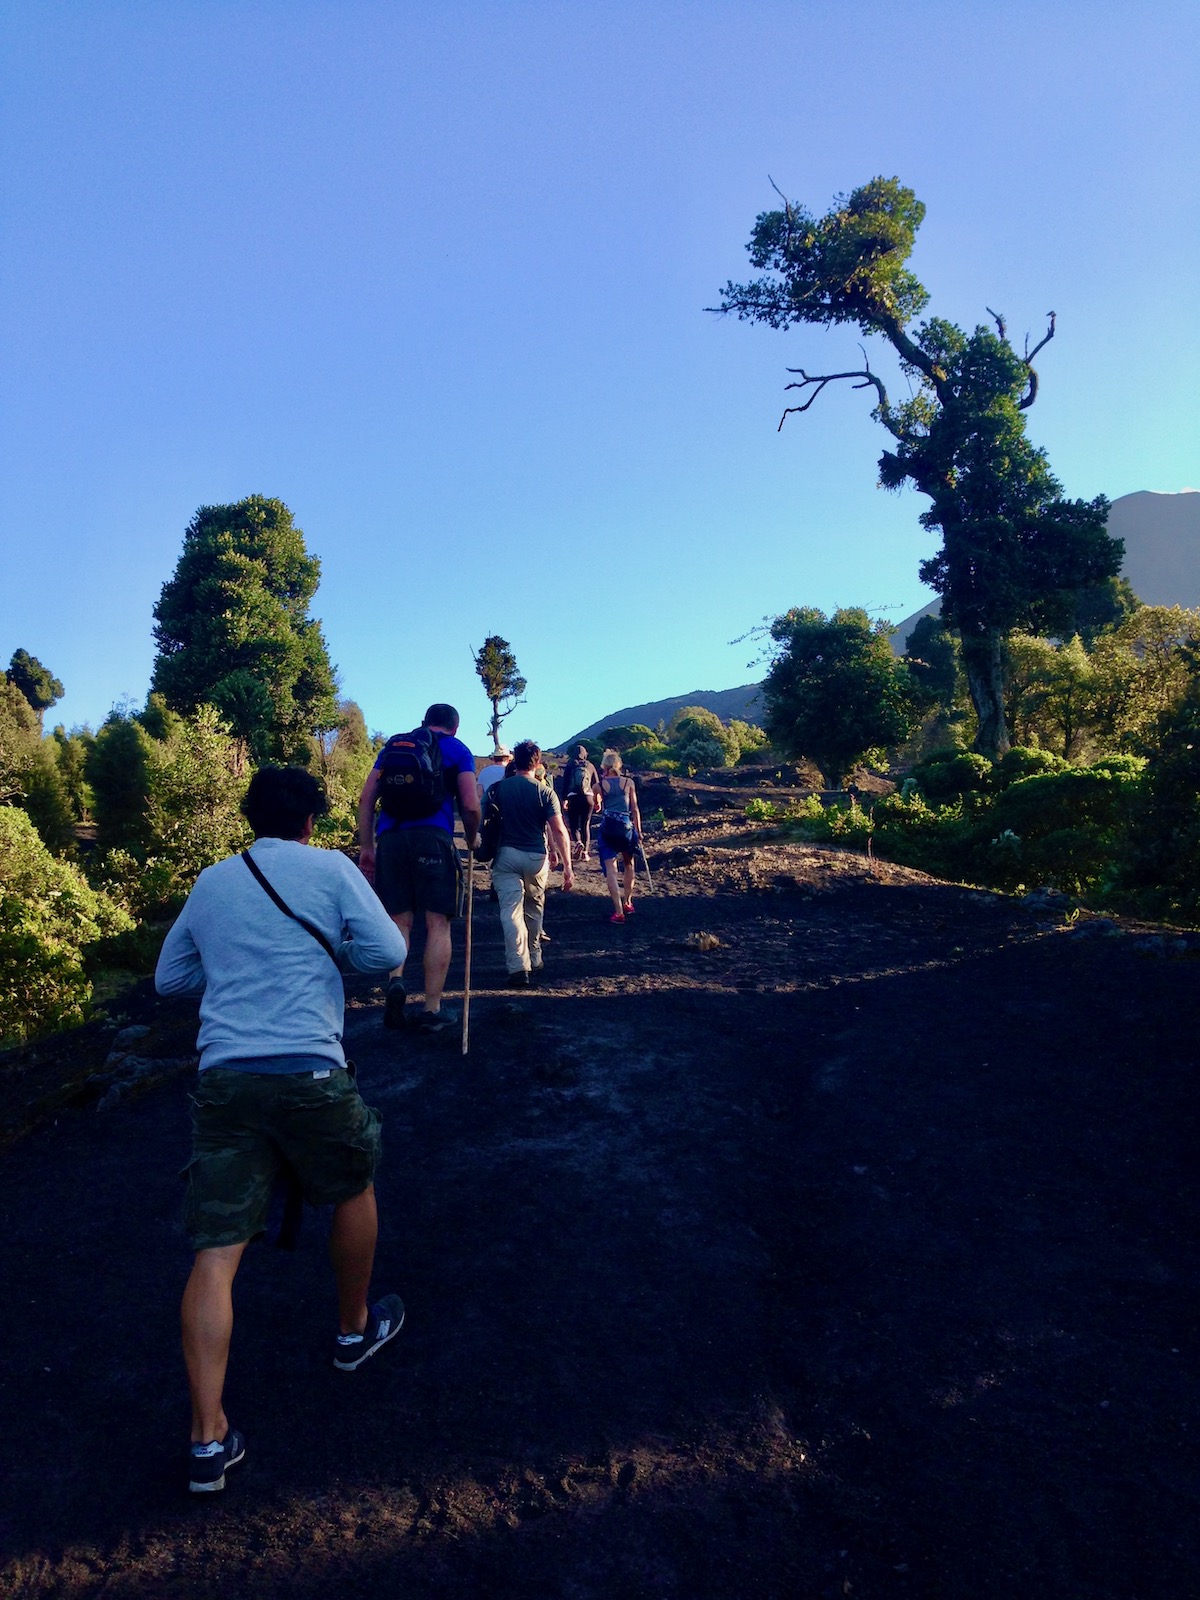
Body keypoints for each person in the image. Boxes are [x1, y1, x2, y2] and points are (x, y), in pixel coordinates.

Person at [155, 767, 409, 1495]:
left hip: (226, 1078)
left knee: (216, 1249)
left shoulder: (213, 882)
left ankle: (208, 1439)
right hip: (309, 1070)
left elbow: (171, 979)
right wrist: (333, 965)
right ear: (310, 819)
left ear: (252, 817)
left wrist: (237, 974)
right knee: (353, 1184)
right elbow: (386, 955)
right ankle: (354, 1332)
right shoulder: (329, 868)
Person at [357, 704, 480, 1034]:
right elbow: (469, 804)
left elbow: (366, 797)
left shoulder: (393, 748)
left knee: (399, 920)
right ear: (454, 726)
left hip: (391, 840)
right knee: (438, 922)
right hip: (432, 839)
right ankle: (431, 1008)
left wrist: (367, 847)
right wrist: (472, 838)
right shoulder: (457, 750)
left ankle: (396, 979)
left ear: (424, 723)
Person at [487, 739, 574, 985]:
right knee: (534, 907)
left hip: (505, 856)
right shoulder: (545, 792)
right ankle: (535, 956)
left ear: (514, 760)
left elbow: (480, 818)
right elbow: (558, 830)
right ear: (537, 763)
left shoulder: (497, 789)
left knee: (510, 911)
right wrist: (568, 866)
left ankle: (518, 966)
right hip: (536, 857)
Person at [596, 748, 643, 923]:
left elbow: (597, 807)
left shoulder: (599, 785)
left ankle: (618, 912)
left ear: (605, 767)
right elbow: (635, 809)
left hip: (608, 829)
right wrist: (638, 831)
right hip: (626, 828)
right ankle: (628, 902)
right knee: (629, 864)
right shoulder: (629, 783)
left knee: (611, 870)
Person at [561, 744, 600, 861]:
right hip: (588, 798)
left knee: (573, 824)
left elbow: (565, 783)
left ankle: (578, 842)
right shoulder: (590, 766)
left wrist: (564, 799)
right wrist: (598, 801)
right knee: (585, 824)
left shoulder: (570, 765)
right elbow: (596, 784)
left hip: (573, 797)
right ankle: (585, 853)